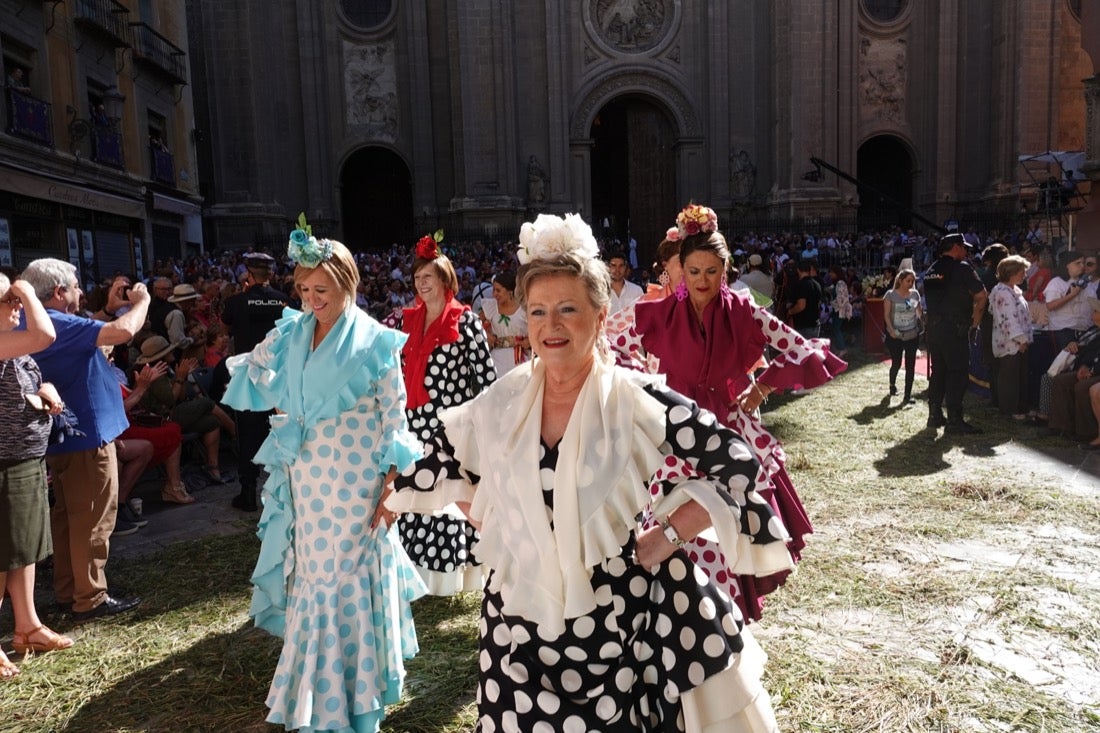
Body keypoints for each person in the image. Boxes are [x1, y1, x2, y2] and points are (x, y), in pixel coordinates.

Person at [388, 212, 789, 731]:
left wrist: (667, 535)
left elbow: (737, 463)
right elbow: (442, 464)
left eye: (567, 309)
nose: (549, 326)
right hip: (516, 637)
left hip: (618, 632)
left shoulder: (635, 399)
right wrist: (483, 516)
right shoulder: (502, 401)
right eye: (536, 312)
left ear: (600, 317)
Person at [222, 222, 425, 733]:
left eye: (323, 291)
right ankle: (306, 702)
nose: (313, 300)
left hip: (356, 486)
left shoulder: (376, 341)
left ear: (348, 286)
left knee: (338, 585)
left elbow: (394, 416)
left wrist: (390, 488)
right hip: (306, 483)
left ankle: (338, 708)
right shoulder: (292, 331)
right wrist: (269, 360)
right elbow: (253, 371)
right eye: (305, 291)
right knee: (311, 583)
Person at [611, 204, 847, 621]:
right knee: (676, 523)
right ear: (680, 270)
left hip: (728, 433)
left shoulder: (744, 311)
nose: (702, 281)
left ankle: (726, 616)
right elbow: (612, 348)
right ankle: (684, 616)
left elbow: (804, 347)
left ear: (725, 270)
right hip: (676, 433)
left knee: (727, 523)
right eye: (694, 271)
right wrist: (646, 391)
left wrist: (762, 386)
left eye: (712, 271)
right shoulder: (656, 314)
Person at [21, 257, 150, 622]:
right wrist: (141, 303)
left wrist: (109, 307)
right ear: (59, 292)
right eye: (76, 286)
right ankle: (90, 596)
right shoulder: (58, 322)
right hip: (87, 438)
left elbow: (92, 328)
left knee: (67, 517)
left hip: (64, 437)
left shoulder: (37, 322)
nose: (80, 291)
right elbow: (122, 333)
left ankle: (69, 589)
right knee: (93, 517)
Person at [393, 233, 496, 593]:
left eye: (428, 278)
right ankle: (420, 574)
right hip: (414, 424)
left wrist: (480, 425)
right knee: (417, 494)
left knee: (456, 494)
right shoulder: (405, 321)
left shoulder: (465, 322)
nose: (422, 285)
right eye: (417, 279)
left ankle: (472, 566)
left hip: (452, 426)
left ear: (444, 280)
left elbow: (485, 379)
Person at [0, 274, 73, 679]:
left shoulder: (11, 343)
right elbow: (44, 335)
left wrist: (44, 388)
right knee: (1, 554)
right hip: (3, 463)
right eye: (7, 301)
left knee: (22, 549)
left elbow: (30, 368)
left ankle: (26, 627)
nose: (15, 306)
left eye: (16, 299)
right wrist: (27, 289)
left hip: (22, 458)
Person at [221, 251, 288, 511]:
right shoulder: (283, 300)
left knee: (248, 433)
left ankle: (248, 492)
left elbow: (225, 328)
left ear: (249, 274)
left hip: (249, 375)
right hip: (277, 375)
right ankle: (283, 489)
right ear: (271, 274)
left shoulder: (237, 301)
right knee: (280, 429)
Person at [133, 335, 235, 487]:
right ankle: (235, 432)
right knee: (206, 403)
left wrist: (182, 377)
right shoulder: (156, 376)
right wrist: (180, 378)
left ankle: (213, 468)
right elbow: (170, 400)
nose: (173, 352)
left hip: (173, 413)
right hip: (164, 418)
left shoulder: (165, 370)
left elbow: (182, 395)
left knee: (212, 422)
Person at [922, 233, 988, 434]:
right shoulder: (962, 268)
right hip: (955, 328)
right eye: (963, 247)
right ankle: (954, 419)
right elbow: (982, 296)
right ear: (955, 247)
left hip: (933, 328)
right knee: (957, 373)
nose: (966, 251)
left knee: (939, 371)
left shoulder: (931, 270)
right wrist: (974, 324)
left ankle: (934, 415)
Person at [988, 255, 1033, 420]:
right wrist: (1020, 340)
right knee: (1009, 378)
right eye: (1022, 271)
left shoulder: (1014, 290)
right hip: (1009, 345)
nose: (1024, 275)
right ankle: (1009, 411)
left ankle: (1020, 408)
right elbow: (1008, 320)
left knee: (1019, 377)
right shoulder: (1002, 292)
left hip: (1018, 343)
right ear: (1012, 272)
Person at [883, 268, 923, 403]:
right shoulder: (890, 295)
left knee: (910, 365)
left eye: (913, 281)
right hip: (895, 335)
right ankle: (892, 385)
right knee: (896, 363)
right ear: (900, 280)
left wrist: (918, 309)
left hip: (912, 334)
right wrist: (891, 330)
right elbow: (886, 316)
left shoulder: (914, 295)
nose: (911, 284)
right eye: (908, 281)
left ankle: (907, 395)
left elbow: (918, 313)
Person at [478, 270, 529, 375]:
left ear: (509, 291)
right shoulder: (490, 307)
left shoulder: (524, 309)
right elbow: (474, 322)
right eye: (493, 290)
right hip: (497, 360)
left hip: (521, 358)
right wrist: (486, 335)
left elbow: (538, 327)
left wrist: (529, 341)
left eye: (498, 290)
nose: (494, 294)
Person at [786, 257, 823, 338]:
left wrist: (790, 311)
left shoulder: (801, 285)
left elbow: (801, 306)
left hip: (803, 325)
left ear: (798, 270)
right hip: (815, 324)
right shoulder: (817, 284)